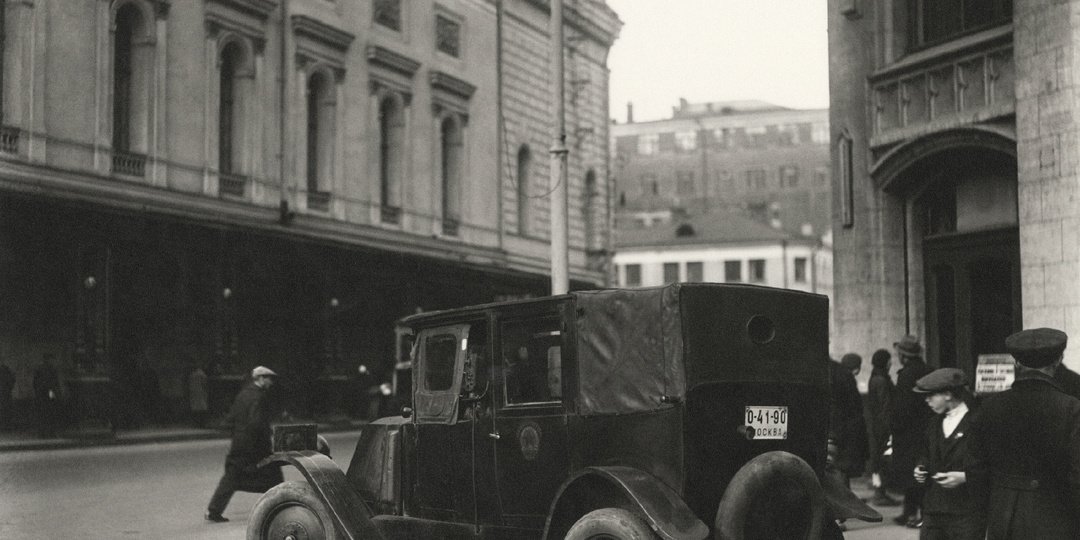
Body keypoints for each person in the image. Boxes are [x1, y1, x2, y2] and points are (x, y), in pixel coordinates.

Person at [966, 328, 1080, 539]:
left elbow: (976, 473)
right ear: (1058, 360)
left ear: (1016, 363)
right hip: (1057, 520)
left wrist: (978, 529)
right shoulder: (1072, 409)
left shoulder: (989, 408)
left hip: (1003, 520)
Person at [205, 366, 284, 523]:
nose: (271, 382)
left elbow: (231, 419)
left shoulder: (243, 394)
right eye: (269, 379)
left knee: (232, 477)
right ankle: (280, 506)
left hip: (240, 443)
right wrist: (266, 438)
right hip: (255, 445)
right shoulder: (258, 396)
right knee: (273, 474)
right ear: (261, 379)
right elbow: (256, 422)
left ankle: (213, 510)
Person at [912, 368, 977, 540]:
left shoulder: (977, 422)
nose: (927, 400)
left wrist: (966, 477)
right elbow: (927, 454)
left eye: (931, 395)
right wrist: (921, 468)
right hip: (934, 509)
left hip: (965, 511)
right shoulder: (934, 423)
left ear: (948, 394)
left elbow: (990, 464)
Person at [890, 335, 933, 528]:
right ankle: (911, 512)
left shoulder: (906, 374)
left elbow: (901, 408)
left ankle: (916, 514)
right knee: (920, 472)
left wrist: (894, 428)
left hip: (908, 433)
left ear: (903, 355)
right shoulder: (927, 369)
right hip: (925, 430)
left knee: (912, 475)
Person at [866, 348, 900, 506]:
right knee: (880, 459)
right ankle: (880, 493)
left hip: (875, 425)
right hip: (881, 426)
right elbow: (885, 406)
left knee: (877, 459)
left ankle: (879, 490)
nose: (891, 363)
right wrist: (889, 427)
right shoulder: (881, 380)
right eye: (889, 360)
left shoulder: (875, 377)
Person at [32, 355, 61, 438]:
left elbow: (35, 382)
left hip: (41, 394)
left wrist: (38, 391)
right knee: (51, 413)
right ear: (49, 359)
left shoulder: (39, 369)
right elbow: (55, 383)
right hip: (49, 393)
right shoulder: (52, 369)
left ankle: (42, 433)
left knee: (42, 414)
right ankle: (51, 433)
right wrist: (55, 393)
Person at [0, 358, 15, 431]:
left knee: (2, 410)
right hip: (6, 393)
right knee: (6, 410)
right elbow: (12, 380)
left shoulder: (5, 370)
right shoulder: (7, 370)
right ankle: (7, 427)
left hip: (3, 393)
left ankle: (3, 427)